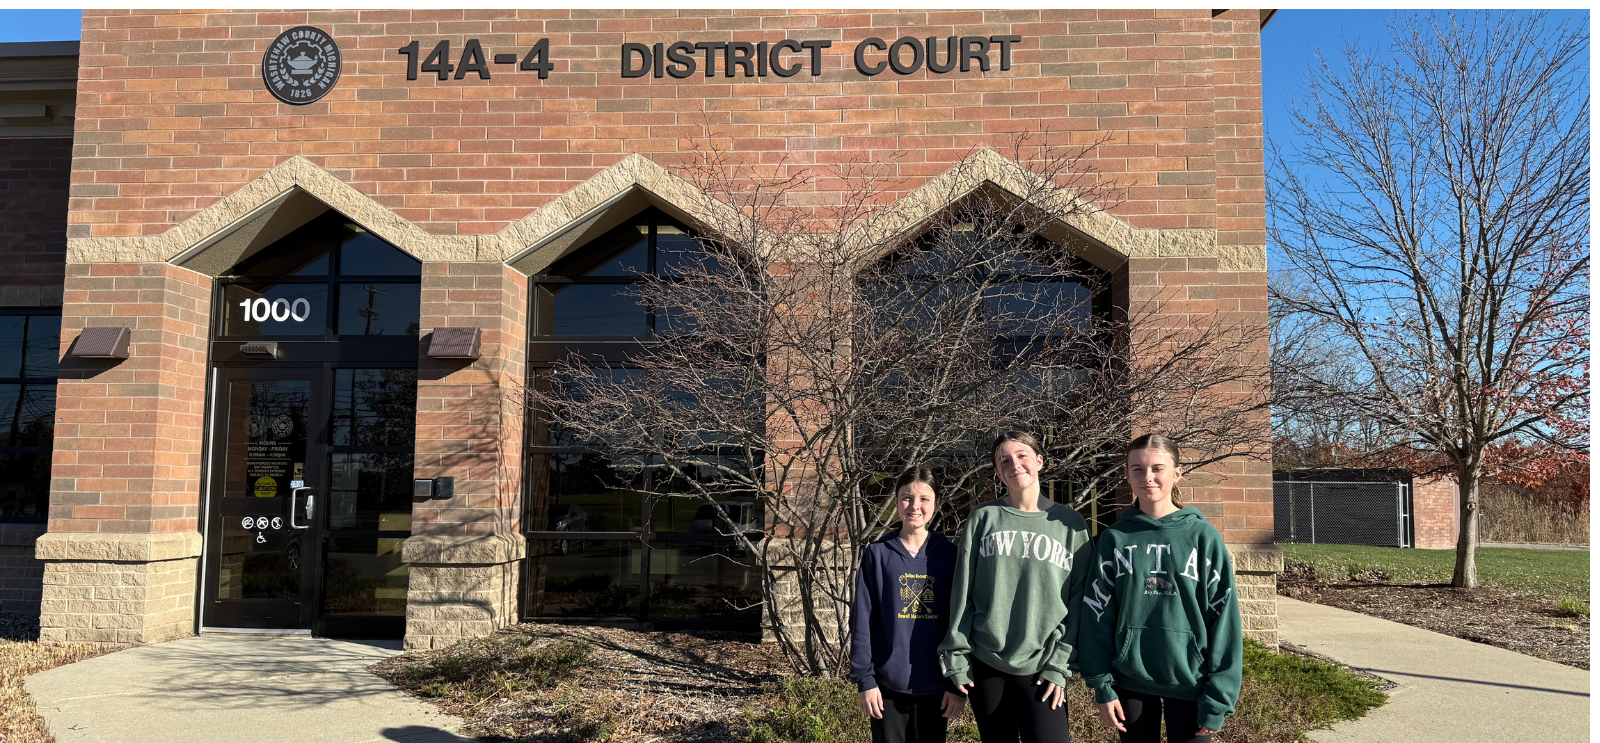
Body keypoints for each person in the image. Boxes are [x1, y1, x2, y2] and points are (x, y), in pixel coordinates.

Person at [1077, 434, 1243, 743]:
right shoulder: (1114, 539)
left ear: (1177, 473)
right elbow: (1096, 616)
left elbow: (1224, 619)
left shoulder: (1203, 538)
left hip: (1193, 683)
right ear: (1126, 474)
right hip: (1131, 682)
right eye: (1137, 469)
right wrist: (1101, 685)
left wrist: (1220, 697)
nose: (1148, 477)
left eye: (1158, 468)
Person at [939, 431, 1093, 743]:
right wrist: (956, 657)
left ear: (1039, 460)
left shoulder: (1071, 524)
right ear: (998, 472)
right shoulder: (984, 518)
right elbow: (963, 593)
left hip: (1043, 662)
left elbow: (1080, 601)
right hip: (987, 660)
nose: (1015, 464)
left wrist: (1060, 664)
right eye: (1004, 460)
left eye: (1022, 455)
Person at [851, 468, 967, 743]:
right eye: (906, 498)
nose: (915, 506)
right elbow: (862, 621)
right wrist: (865, 680)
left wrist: (957, 684)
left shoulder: (951, 556)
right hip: (887, 686)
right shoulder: (878, 554)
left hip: (937, 685)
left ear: (937, 504)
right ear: (896, 500)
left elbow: (960, 622)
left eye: (924, 499)